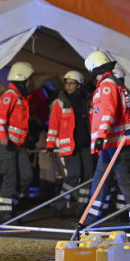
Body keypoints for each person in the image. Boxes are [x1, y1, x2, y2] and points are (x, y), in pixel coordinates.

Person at [83, 51, 130, 226]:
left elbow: (107, 113)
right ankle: (92, 217)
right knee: (101, 179)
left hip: (114, 142)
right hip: (113, 143)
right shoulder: (113, 84)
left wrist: (101, 136)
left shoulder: (107, 86)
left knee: (124, 181)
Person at [46, 70, 93, 216]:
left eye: (72, 83)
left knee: (88, 177)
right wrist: (50, 144)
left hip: (86, 145)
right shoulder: (60, 102)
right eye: (67, 83)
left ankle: (83, 207)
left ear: (79, 85)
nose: (68, 86)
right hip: (69, 146)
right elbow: (53, 125)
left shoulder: (87, 100)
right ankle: (60, 206)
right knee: (73, 176)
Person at [0, 61, 35, 223]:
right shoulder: (9, 96)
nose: (30, 82)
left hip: (17, 144)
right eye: (29, 79)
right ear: (23, 79)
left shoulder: (20, 97)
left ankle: (11, 205)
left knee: (27, 176)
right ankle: (5, 215)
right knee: (10, 178)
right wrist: (3, 137)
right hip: (6, 144)